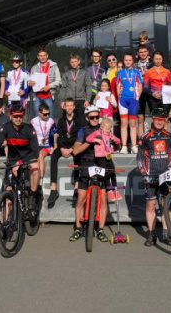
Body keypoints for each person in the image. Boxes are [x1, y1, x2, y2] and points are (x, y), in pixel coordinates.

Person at [0, 106, 40, 217]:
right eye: (15, 116)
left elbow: (35, 153)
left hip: (27, 158)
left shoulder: (29, 129)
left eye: (20, 116)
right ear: (11, 116)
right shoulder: (5, 128)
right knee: (8, 196)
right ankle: (4, 224)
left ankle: (32, 196)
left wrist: (19, 162)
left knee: (35, 167)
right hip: (12, 160)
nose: (18, 119)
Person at [137, 107, 171, 247]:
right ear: (152, 120)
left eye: (162, 120)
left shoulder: (170, 135)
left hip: (165, 174)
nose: (159, 122)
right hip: (151, 175)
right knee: (151, 205)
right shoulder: (145, 136)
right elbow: (140, 157)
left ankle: (166, 233)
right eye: (157, 119)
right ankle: (152, 234)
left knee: (166, 205)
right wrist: (144, 173)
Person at [70, 106, 109, 244]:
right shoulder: (83, 131)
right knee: (81, 198)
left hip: (101, 165)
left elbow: (114, 144)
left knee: (103, 199)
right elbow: (75, 151)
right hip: (86, 165)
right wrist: (89, 142)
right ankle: (78, 229)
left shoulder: (104, 129)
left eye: (97, 117)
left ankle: (101, 230)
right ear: (87, 118)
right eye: (92, 117)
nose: (95, 119)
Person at [48, 98, 84, 208]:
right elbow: (59, 136)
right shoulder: (61, 120)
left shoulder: (79, 120)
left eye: (71, 106)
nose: (69, 108)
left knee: (78, 157)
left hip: (74, 145)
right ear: (64, 107)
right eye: (67, 106)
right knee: (53, 157)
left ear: (74, 107)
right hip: (63, 145)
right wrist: (62, 149)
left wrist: (72, 149)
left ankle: (76, 187)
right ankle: (53, 189)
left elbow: (80, 137)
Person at [87, 117, 121, 201]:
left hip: (108, 155)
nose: (107, 130)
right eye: (106, 128)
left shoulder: (110, 134)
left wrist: (115, 139)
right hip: (100, 157)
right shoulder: (97, 133)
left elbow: (118, 141)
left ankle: (115, 189)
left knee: (112, 171)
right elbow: (88, 138)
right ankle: (109, 190)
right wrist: (95, 140)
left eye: (109, 129)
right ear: (101, 127)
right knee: (106, 173)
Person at [116, 53, 143, 154]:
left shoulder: (136, 72)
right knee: (124, 123)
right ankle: (123, 146)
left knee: (132, 123)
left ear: (132, 61)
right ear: (123, 61)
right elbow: (117, 86)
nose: (127, 62)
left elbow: (140, 85)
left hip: (133, 100)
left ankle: (134, 146)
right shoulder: (120, 72)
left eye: (129, 60)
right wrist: (119, 97)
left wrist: (137, 97)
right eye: (126, 60)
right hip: (123, 100)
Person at [143, 51, 171, 135]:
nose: (158, 61)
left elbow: (169, 86)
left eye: (160, 59)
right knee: (155, 119)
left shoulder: (167, 72)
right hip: (153, 99)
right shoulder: (148, 72)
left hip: (165, 98)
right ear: (153, 60)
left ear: (162, 60)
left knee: (165, 119)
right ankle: (155, 137)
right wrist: (152, 94)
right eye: (156, 59)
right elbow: (145, 88)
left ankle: (165, 136)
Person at [59, 53, 93, 122]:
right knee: (68, 120)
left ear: (79, 61)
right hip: (69, 100)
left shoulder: (84, 73)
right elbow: (63, 88)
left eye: (75, 61)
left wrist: (87, 100)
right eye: (72, 62)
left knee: (81, 120)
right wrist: (62, 101)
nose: (74, 63)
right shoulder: (66, 74)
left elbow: (88, 86)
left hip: (81, 100)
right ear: (70, 62)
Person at [29, 47, 62, 119]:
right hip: (37, 97)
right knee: (37, 119)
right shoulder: (34, 68)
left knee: (50, 119)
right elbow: (30, 81)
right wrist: (30, 83)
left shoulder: (54, 67)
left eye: (44, 55)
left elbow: (59, 81)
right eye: (41, 56)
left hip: (49, 96)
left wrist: (49, 86)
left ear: (47, 56)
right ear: (38, 57)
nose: (43, 57)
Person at [31, 103, 57, 184]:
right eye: (45, 114)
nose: (47, 116)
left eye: (48, 113)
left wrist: (55, 144)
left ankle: (41, 180)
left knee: (40, 155)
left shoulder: (51, 121)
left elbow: (55, 133)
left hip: (47, 145)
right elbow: (30, 134)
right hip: (36, 145)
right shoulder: (33, 121)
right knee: (35, 158)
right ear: (39, 113)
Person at [135, 45, 153, 137]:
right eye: (141, 52)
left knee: (154, 116)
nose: (143, 54)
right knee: (140, 117)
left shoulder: (152, 63)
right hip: (139, 91)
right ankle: (141, 138)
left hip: (151, 91)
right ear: (138, 53)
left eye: (145, 52)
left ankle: (154, 137)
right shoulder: (134, 65)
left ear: (148, 52)